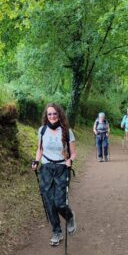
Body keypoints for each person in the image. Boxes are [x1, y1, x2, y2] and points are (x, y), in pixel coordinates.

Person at [32, 103, 77, 246]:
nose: (52, 116)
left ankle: (69, 216)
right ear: (46, 115)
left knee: (59, 203)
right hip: (46, 168)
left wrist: (70, 160)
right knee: (49, 202)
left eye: (54, 114)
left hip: (61, 168)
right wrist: (36, 161)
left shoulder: (66, 131)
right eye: (49, 114)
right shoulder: (42, 130)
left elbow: (73, 153)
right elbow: (40, 149)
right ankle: (57, 232)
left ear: (59, 115)